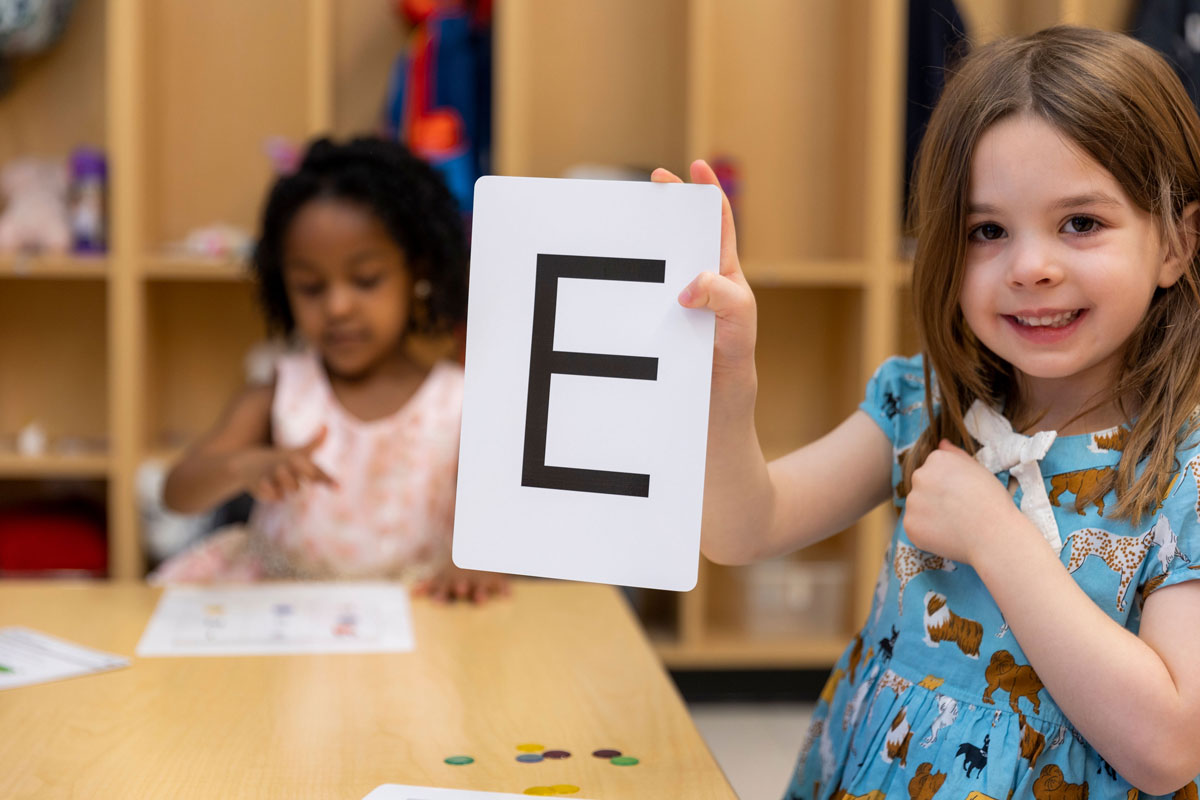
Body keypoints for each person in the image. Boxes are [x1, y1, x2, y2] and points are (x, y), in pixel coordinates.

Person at [654, 26, 1200, 799]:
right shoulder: (923, 401)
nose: (1032, 267)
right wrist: (730, 376)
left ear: (1179, 242)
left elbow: (1169, 745)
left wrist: (993, 535)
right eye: (988, 231)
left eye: (1081, 223)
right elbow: (743, 531)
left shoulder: (1189, 470)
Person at [152, 137, 507, 603]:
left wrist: (471, 565)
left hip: (412, 620)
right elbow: (178, 492)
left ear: (418, 270)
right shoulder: (282, 391)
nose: (337, 307)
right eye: (310, 286)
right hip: (280, 619)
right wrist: (243, 466)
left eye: (366, 280)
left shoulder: (458, 403)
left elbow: (497, 529)